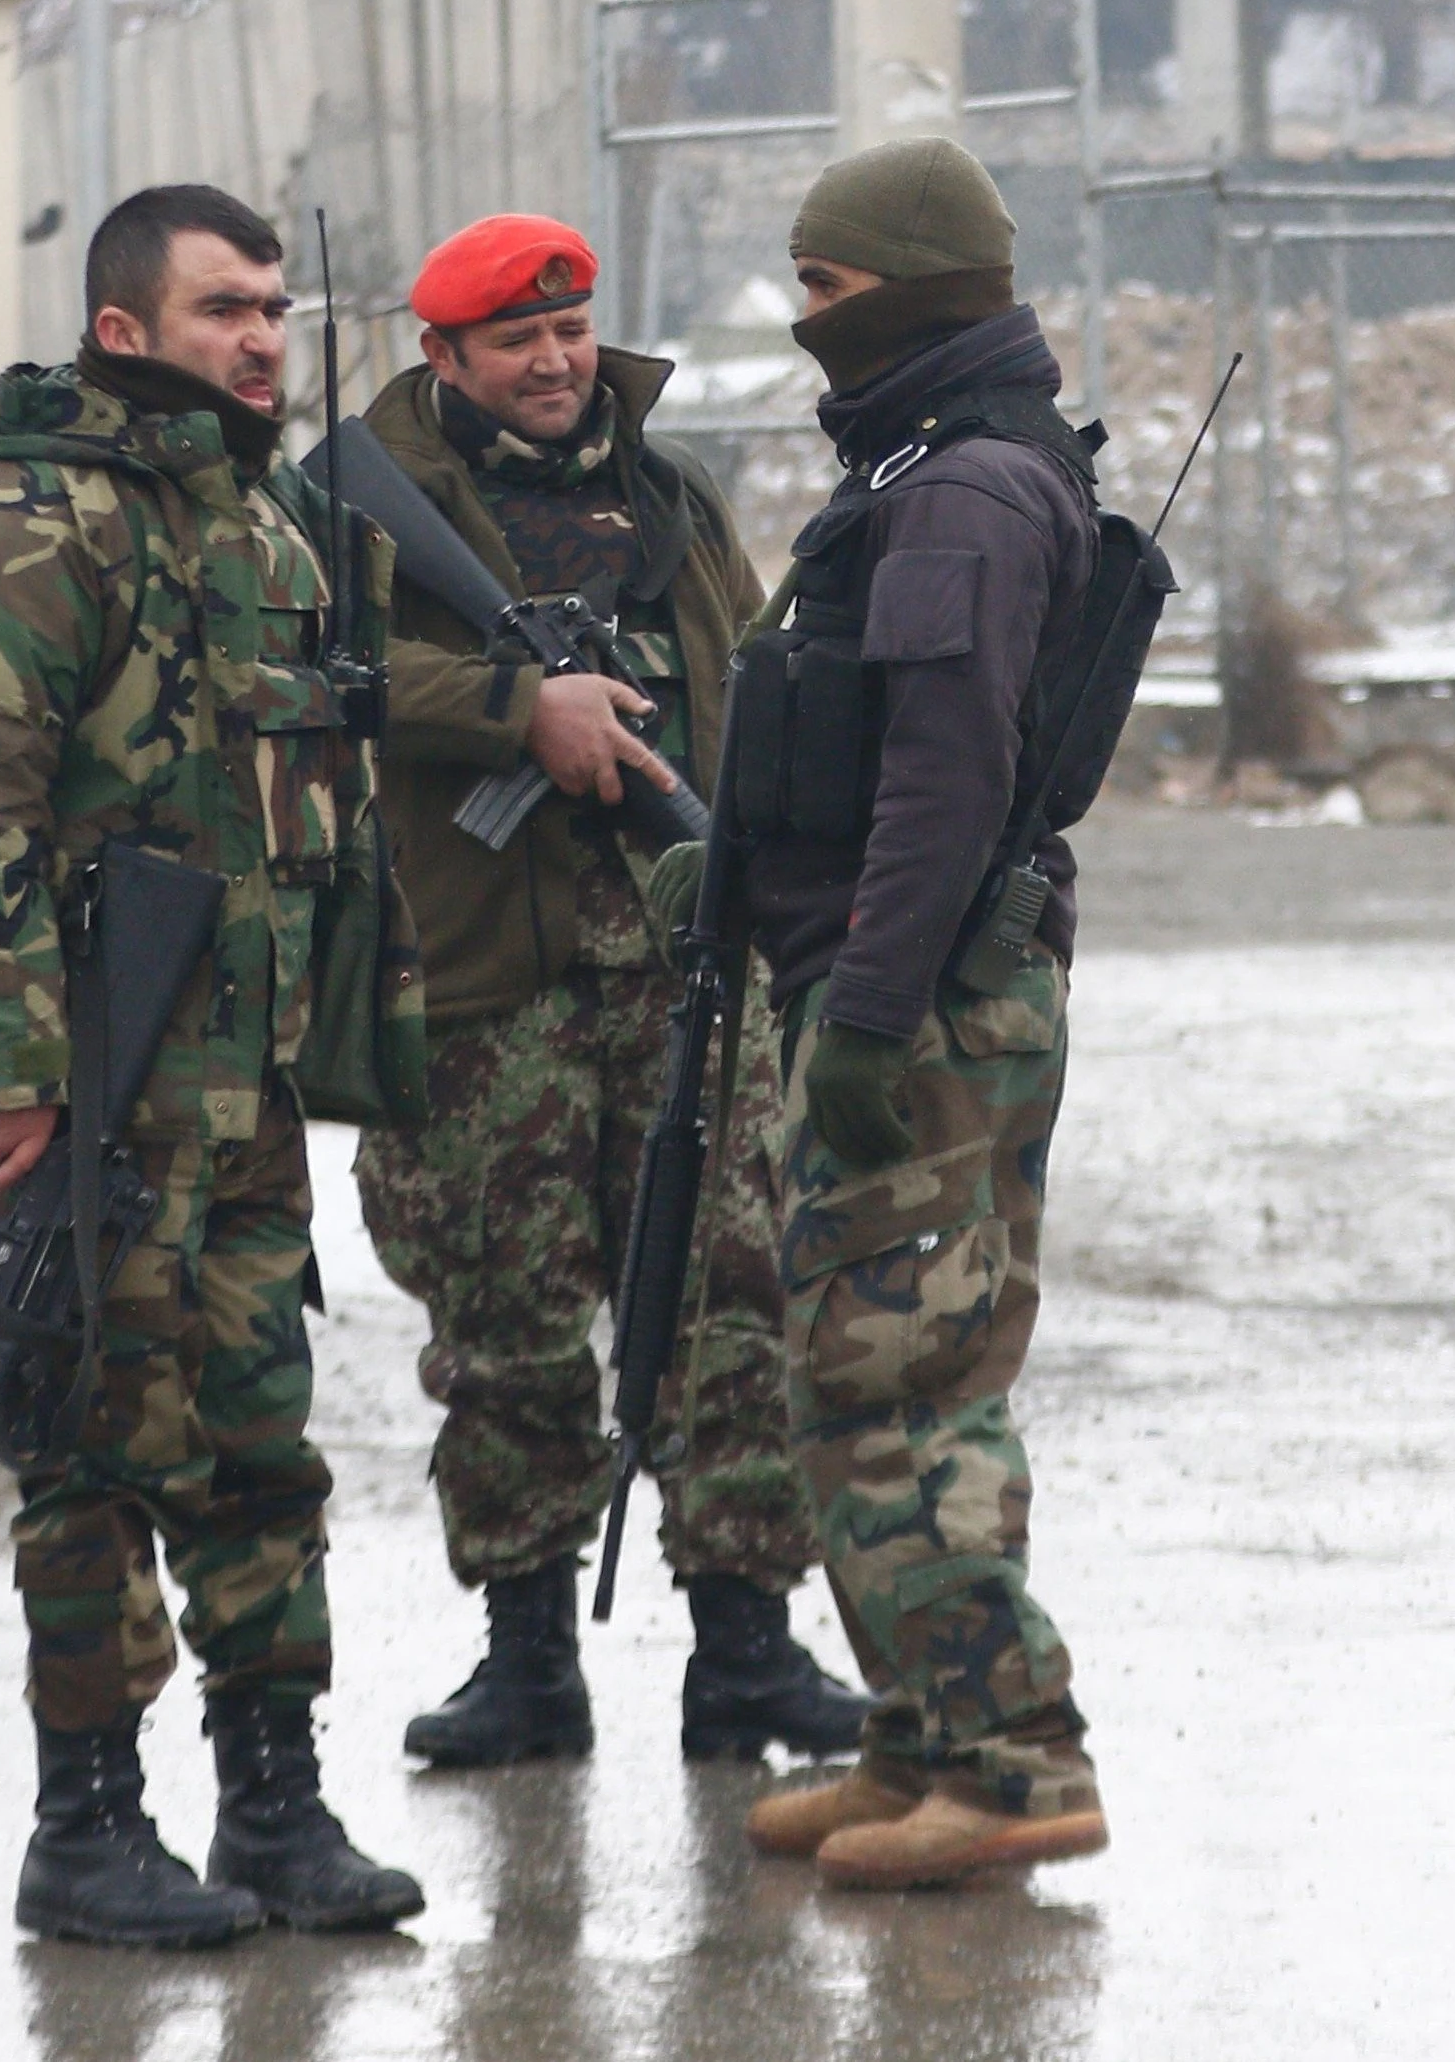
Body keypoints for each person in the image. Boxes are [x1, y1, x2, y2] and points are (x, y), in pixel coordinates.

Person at [0, 182, 425, 1947]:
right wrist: (10, 1077)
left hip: (232, 1077)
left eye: (271, 305)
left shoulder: (265, 528)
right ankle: (87, 1825)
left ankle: (273, 1805)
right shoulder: (26, 516)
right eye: (220, 310)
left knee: (256, 1428)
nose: (261, 335)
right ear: (124, 331)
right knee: (91, 1433)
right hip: (81, 1071)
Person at [338, 211, 873, 1770]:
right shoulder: (357, 510)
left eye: (572, 332)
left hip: (682, 968)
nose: (557, 363)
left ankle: (748, 1653)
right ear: (444, 356)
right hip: (482, 981)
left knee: (732, 1300)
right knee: (504, 1319)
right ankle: (526, 1661)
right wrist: (520, 707)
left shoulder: (671, 492)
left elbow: (746, 667)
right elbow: (322, 671)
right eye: (518, 340)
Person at [727, 138, 1113, 1895]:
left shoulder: (956, 489)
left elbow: (945, 781)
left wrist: (868, 1013)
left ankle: (1016, 1755)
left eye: (823, 288)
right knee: (859, 1374)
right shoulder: (929, 462)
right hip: (908, 982)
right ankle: (923, 1728)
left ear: (904, 284)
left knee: (904, 1386)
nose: (808, 321)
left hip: (925, 1005)